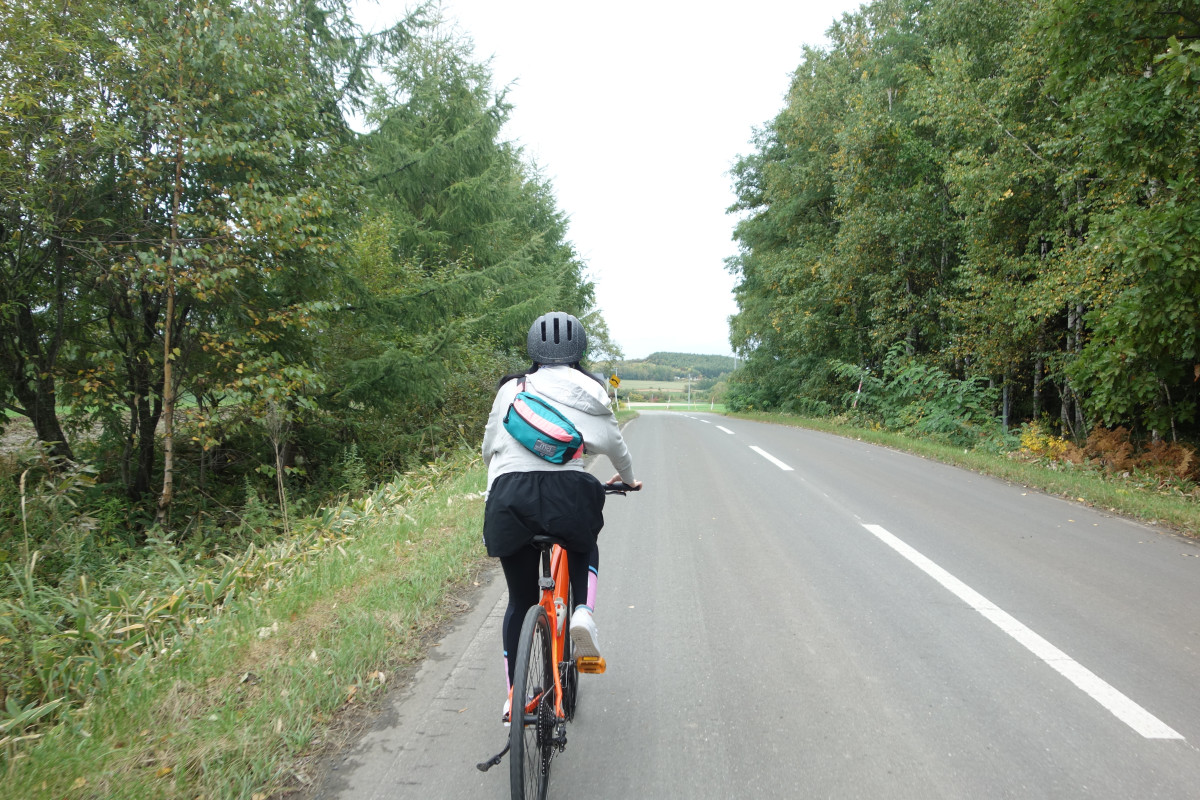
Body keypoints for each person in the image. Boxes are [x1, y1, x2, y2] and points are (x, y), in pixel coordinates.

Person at [482, 311, 642, 724]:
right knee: (583, 541)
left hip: (509, 498)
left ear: (533, 350)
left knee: (520, 600)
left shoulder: (510, 390)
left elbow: (489, 448)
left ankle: (514, 698)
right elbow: (615, 445)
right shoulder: (593, 391)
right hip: (567, 496)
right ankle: (583, 612)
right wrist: (627, 479)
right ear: (579, 351)